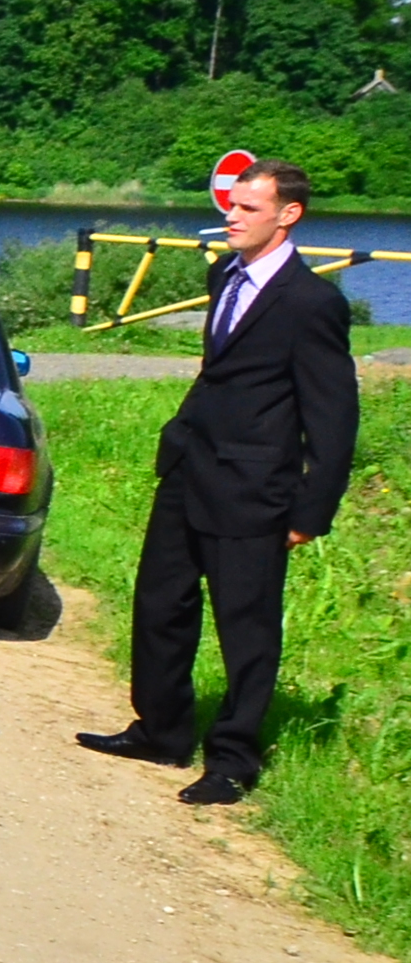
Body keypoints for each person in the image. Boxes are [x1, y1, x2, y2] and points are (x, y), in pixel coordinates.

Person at [75, 158, 359, 805]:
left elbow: (334, 417)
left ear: (288, 215)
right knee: (160, 605)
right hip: (189, 469)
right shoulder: (223, 273)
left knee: (246, 629)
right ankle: (162, 731)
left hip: (255, 490)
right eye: (231, 204)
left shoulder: (313, 303)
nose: (231, 216)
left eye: (248, 208)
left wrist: (311, 510)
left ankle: (232, 760)